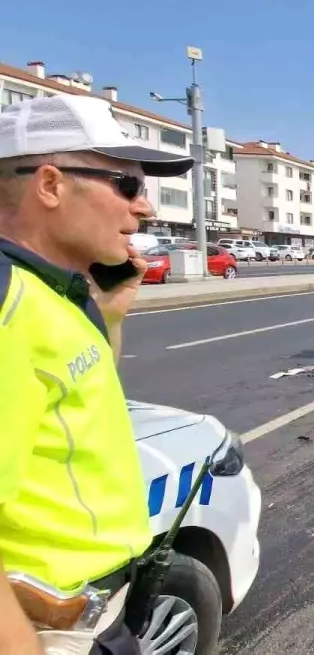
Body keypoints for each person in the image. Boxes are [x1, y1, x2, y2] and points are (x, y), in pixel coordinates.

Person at [0, 95, 197, 654]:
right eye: (127, 185)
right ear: (50, 185)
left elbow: (79, 400)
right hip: (46, 629)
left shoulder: (57, 291)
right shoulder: (9, 304)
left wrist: (109, 315)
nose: (145, 208)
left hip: (93, 609)